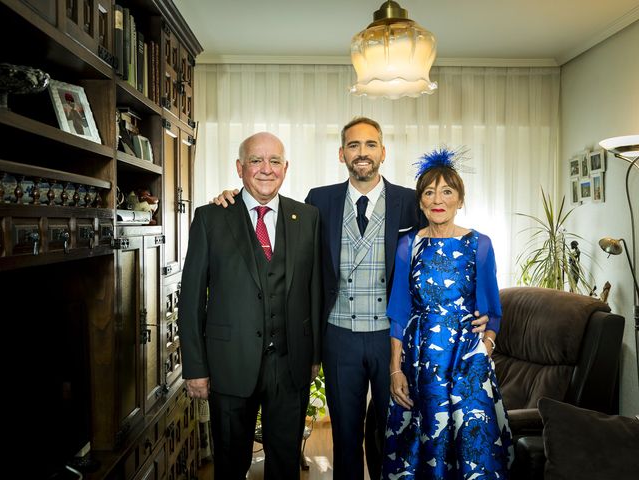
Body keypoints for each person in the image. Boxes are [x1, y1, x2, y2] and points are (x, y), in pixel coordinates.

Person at [213, 117, 488, 480]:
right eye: (354, 146)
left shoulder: (410, 200)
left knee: (394, 432)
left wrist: (478, 311)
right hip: (338, 336)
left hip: (394, 340)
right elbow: (275, 224)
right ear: (342, 154)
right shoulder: (318, 201)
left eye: (370, 145)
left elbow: (445, 249)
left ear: (383, 152)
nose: (362, 153)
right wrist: (231, 200)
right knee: (345, 434)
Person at [179, 132, 322, 480]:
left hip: (289, 367)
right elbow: (191, 298)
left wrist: (315, 356)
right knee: (229, 463)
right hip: (229, 364)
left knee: (285, 464)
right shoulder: (210, 218)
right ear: (240, 168)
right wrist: (195, 366)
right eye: (256, 161)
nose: (266, 169)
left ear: (285, 168)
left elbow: (315, 290)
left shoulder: (308, 217)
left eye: (274, 161)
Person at [381, 147, 514, 479]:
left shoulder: (480, 245)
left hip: (467, 362)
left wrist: (486, 347)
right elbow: (398, 310)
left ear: (460, 199)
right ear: (421, 202)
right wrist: (395, 370)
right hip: (419, 361)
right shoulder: (407, 246)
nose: (437, 199)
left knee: (472, 452)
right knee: (419, 450)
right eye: (429, 192)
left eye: (447, 191)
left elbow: (492, 312)